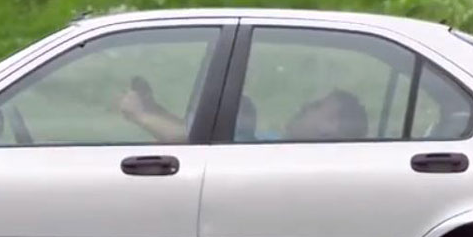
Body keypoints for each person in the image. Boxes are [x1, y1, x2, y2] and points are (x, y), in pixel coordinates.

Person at [119, 78, 369, 143]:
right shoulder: (274, 142)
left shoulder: (284, 157)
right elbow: (199, 135)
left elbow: (188, 142)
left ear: (331, 129)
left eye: (316, 107)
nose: (304, 107)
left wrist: (140, 115)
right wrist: (154, 110)